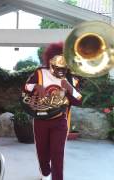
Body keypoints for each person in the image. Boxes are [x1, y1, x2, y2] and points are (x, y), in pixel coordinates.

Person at [23, 42, 82, 180]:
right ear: (50, 61)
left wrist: (69, 87)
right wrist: (36, 86)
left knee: (57, 154)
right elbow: (25, 88)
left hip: (60, 120)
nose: (61, 69)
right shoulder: (39, 73)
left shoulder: (70, 78)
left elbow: (79, 99)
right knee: (42, 153)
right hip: (40, 120)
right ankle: (45, 171)